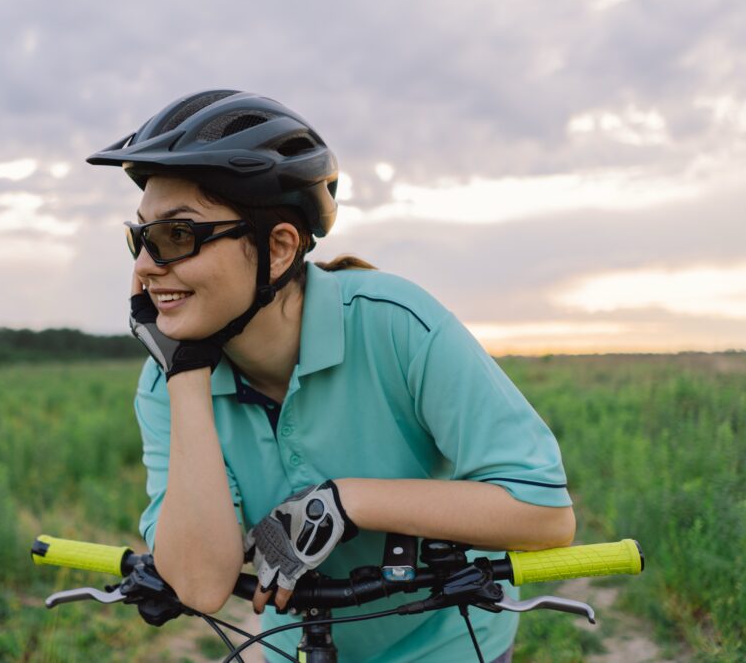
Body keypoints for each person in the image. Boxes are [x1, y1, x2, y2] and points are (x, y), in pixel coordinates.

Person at [87, 90, 576, 663]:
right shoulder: (165, 384)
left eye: (176, 235)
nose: (145, 266)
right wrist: (186, 375)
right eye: (140, 237)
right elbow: (199, 585)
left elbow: (543, 513)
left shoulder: (394, 323)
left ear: (278, 248)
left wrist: (345, 502)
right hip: (292, 646)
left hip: (449, 645)